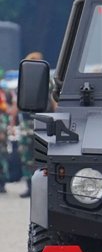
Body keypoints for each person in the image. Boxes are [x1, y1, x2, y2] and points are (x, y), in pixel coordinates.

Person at [17, 51, 56, 198]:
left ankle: (43, 186)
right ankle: (29, 185)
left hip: (43, 121)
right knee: (26, 157)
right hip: (27, 123)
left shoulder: (48, 79)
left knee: (43, 156)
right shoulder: (23, 79)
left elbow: (53, 101)